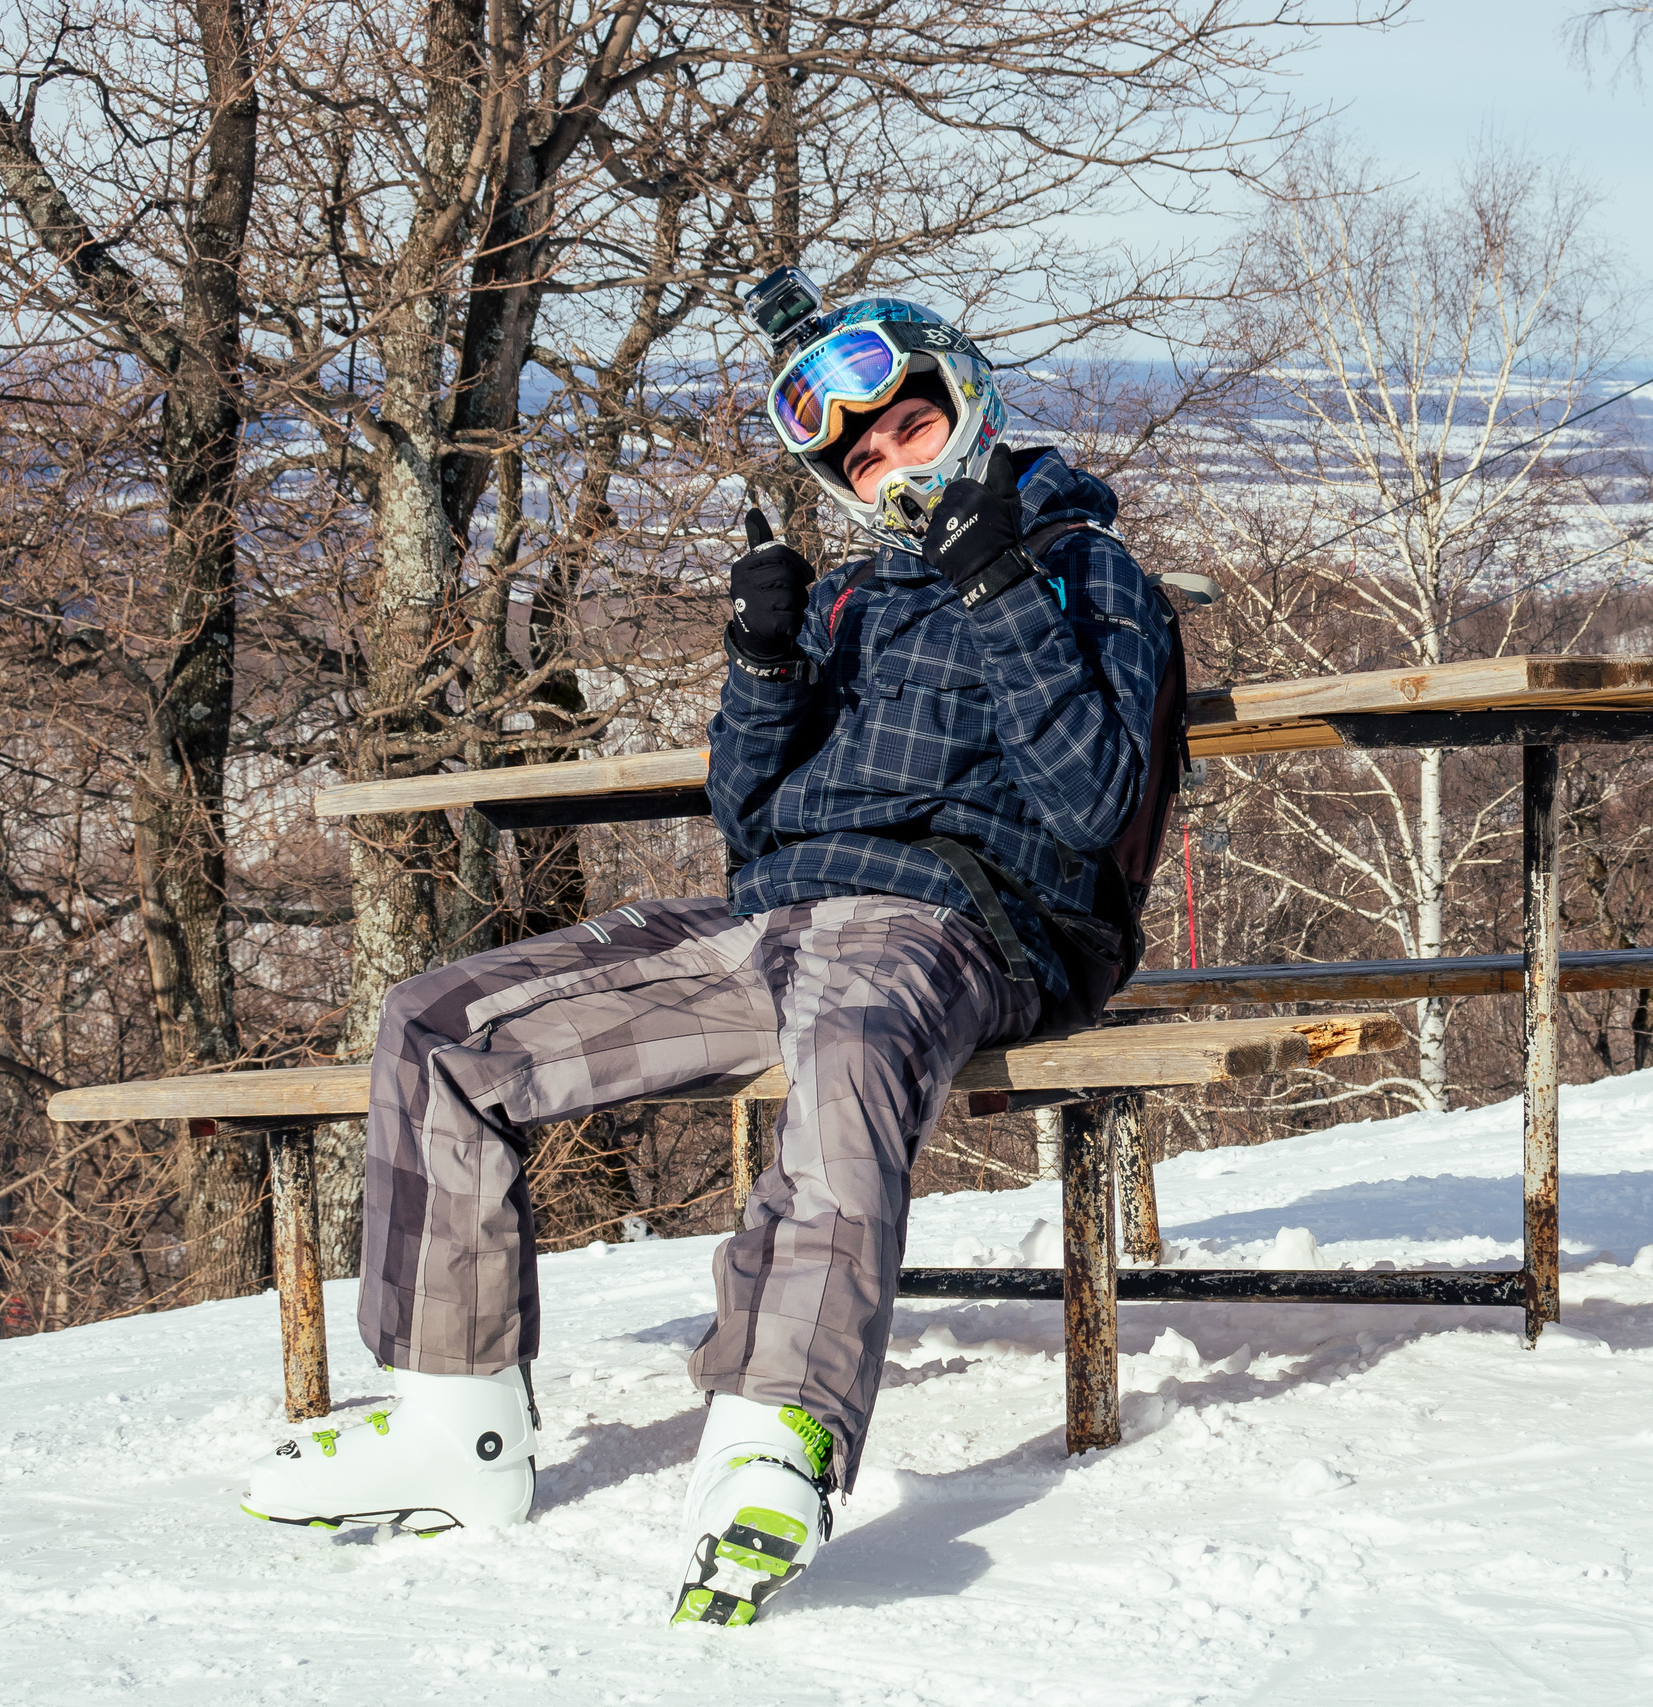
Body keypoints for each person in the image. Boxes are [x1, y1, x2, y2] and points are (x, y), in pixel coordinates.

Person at [239, 285, 1177, 1627]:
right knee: (446, 1028)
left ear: (967, 405)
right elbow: (746, 816)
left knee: (846, 1049)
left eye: (910, 429)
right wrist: (765, 660)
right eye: (863, 459)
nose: (893, 467)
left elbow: (1099, 807)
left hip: (961, 919)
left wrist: (1001, 593)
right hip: (771, 918)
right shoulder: (856, 599)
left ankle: (771, 1437)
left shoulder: (1089, 574)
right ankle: (454, 1423)